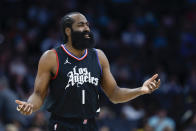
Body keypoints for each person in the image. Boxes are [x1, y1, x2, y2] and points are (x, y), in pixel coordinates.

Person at [15, 12, 160, 131]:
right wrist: (30, 105)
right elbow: (39, 94)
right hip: (62, 125)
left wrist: (141, 90)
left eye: (87, 25)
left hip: (90, 125)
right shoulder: (51, 57)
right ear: (68, 31)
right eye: (81, 25)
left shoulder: (99, 56)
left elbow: (115, 94)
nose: (86, 29)